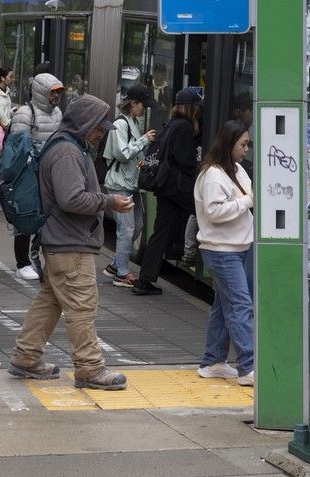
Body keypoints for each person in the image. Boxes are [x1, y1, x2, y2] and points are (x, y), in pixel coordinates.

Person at [8, 94, 132, 390]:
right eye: (98, 128)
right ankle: (90, 368)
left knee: (49, 302)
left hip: (60, 242)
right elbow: (71, 198)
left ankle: (26, 357)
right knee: (82, 308)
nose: (101, 134)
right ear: (84, 123)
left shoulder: (67, 146)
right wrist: (109, 201)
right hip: (70, 244)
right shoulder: (67, 151)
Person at [195, 120, 254, 386]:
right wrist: (246, 201)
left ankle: (213, 362)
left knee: (223, 306)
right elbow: (215, 212)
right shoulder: (213, 175)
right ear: (228, 143)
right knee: (241, 306)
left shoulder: (237, 170)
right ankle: (249, 366)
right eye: (243, 144)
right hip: (222, 251)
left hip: (239, 247)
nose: (246, 149)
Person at [133, 86, 203, 296]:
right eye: (198, 107)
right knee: (207, 214)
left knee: (160, 233)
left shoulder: (171, 123)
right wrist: (199, 163)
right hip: (178, 188)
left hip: (165, 187)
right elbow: (184, 160)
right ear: (191, 108)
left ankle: (144, 281)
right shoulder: (184, 127)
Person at [8, 72, 64, 280]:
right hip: (28, 175)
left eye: (58, 92)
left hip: (51, 173)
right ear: (41, 91)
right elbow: (17, 145)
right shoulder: (25, 112)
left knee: (48, 217)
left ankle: (42, 259)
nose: (56, 96)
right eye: (53, 92)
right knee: (25, 217)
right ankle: (22, 263)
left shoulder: (58, 113)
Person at [102, 83, 156, 288]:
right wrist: (143, 141)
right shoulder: (121, 123)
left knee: (138, 225)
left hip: (130, 183)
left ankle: (115, 265)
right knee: (126, 229)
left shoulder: (132, 121)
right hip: (119, 183)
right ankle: (122, 273)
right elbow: (122, 154)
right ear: (133, 103)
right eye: (143, 105)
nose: (145, 109)